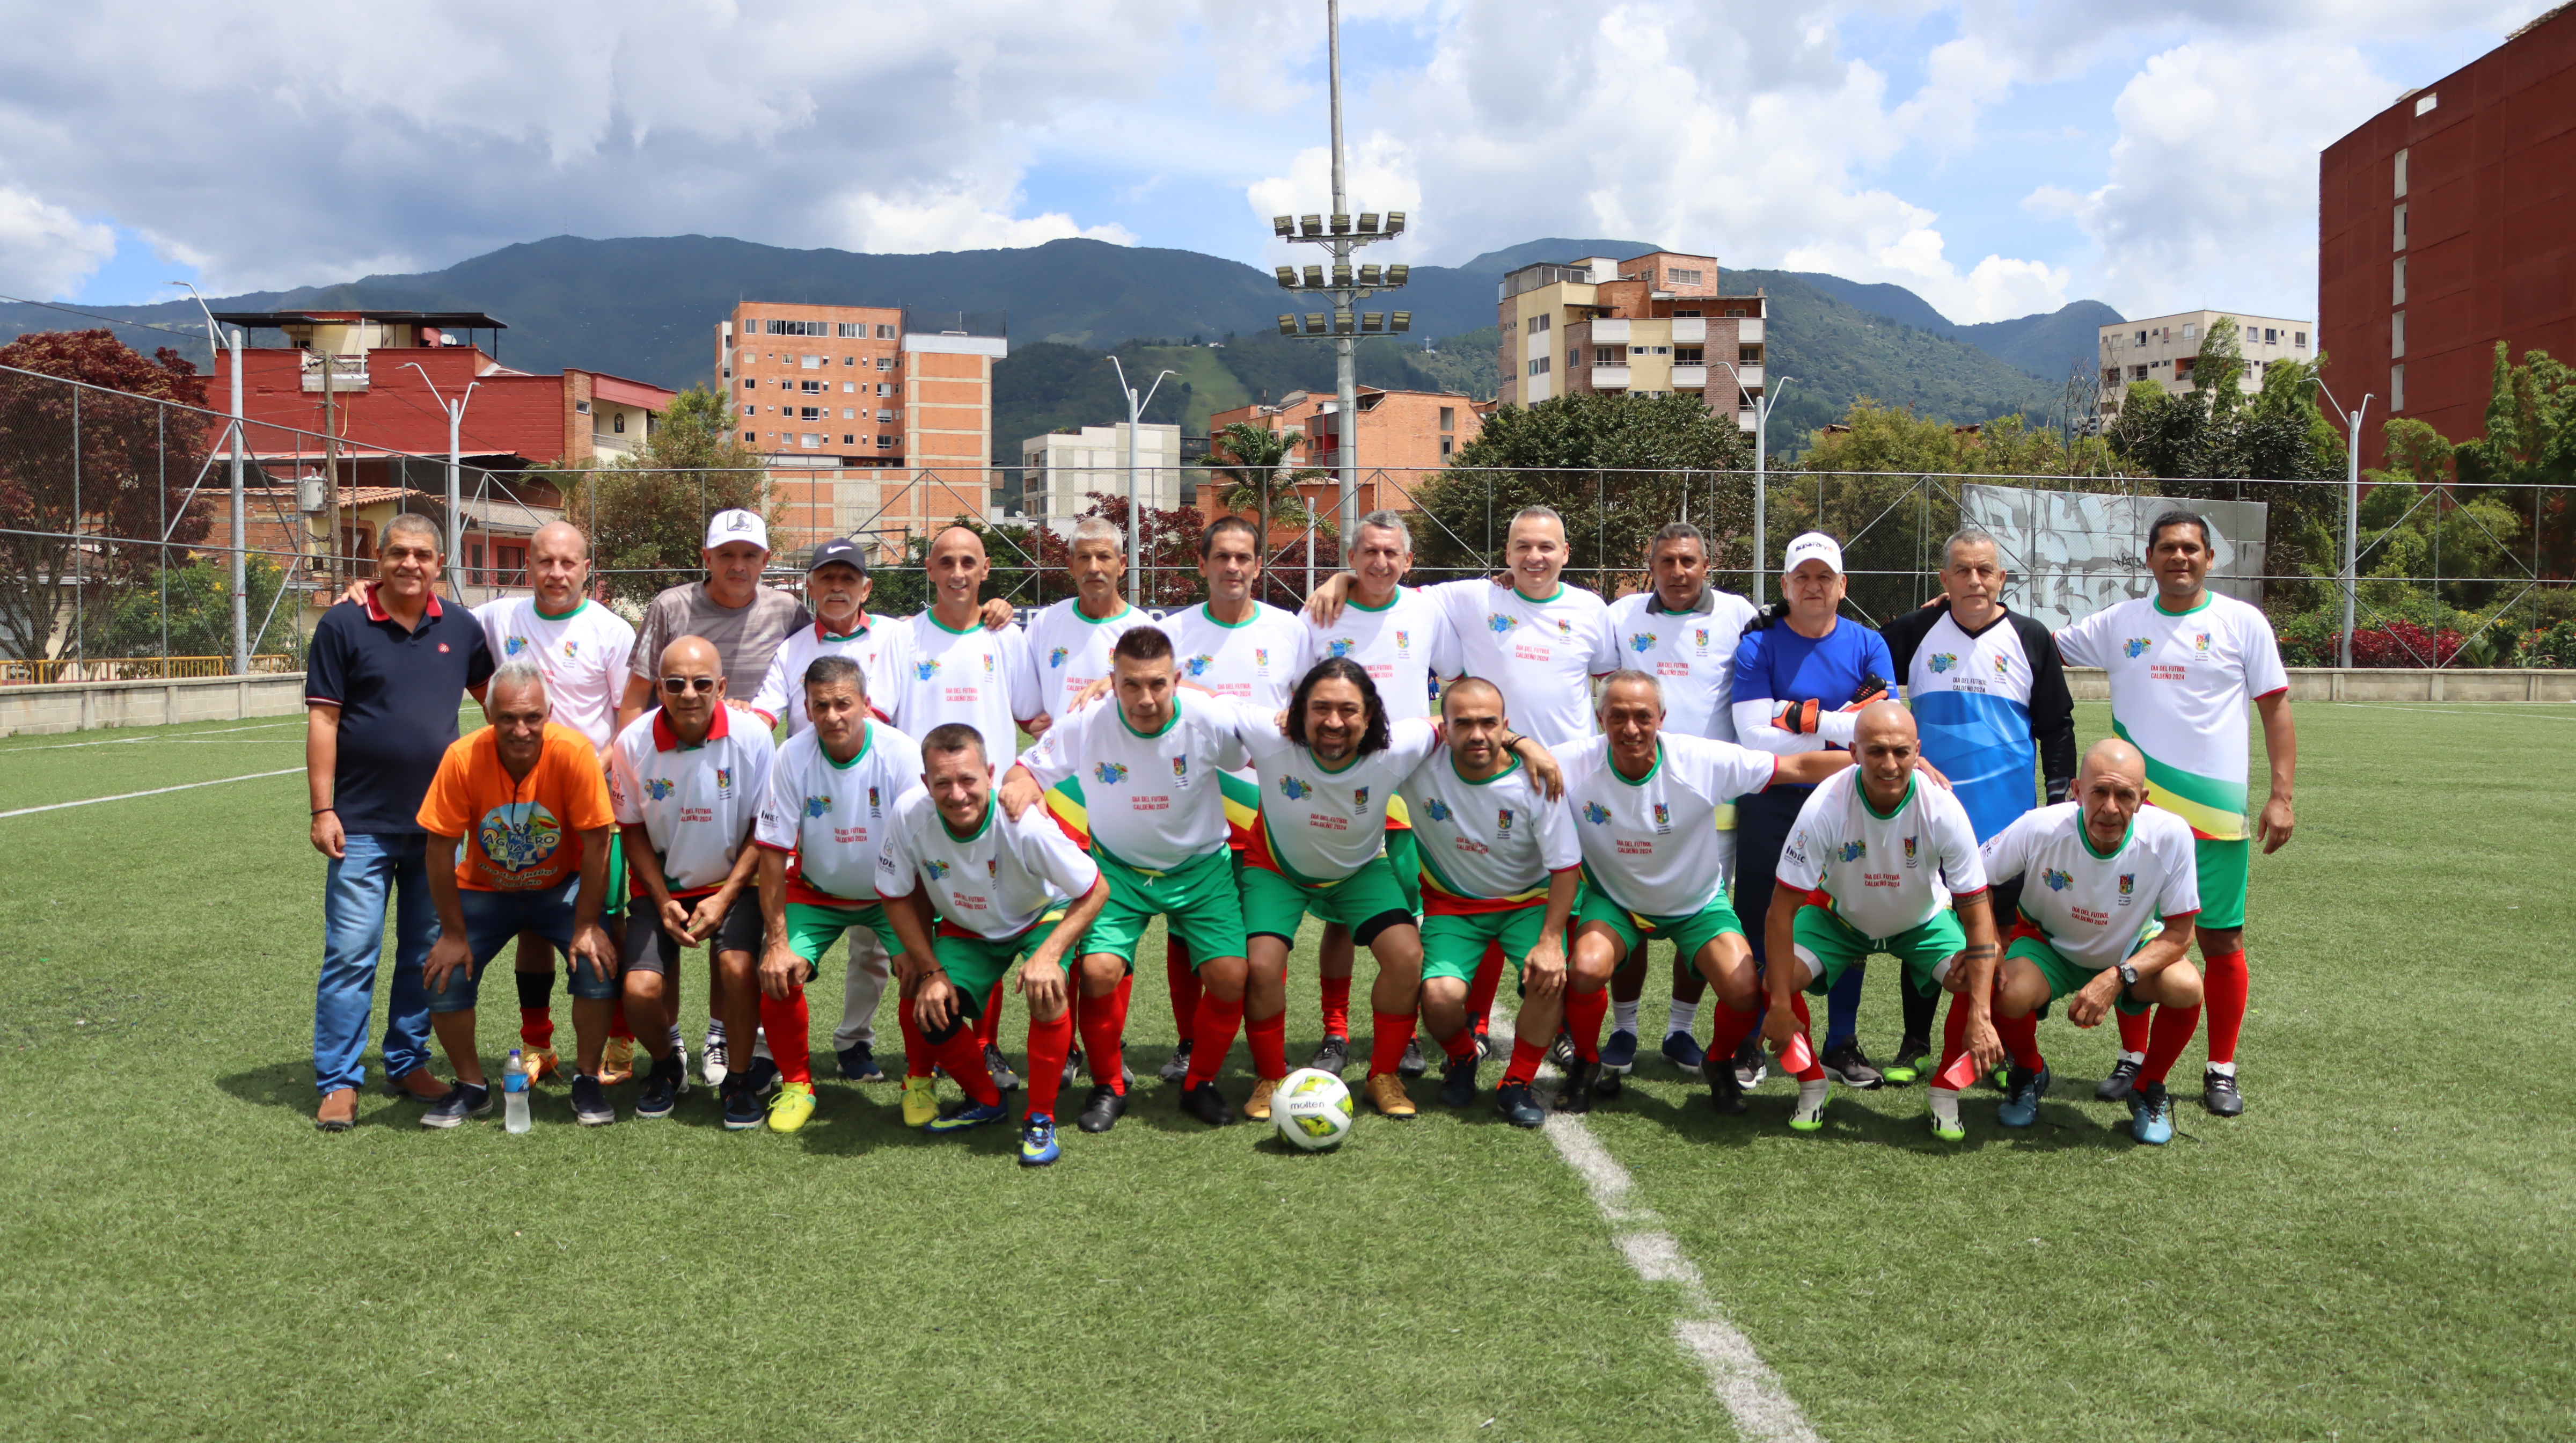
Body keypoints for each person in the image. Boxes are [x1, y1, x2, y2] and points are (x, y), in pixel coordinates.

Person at [1307, 505, 1616, 1069]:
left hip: (1556, 780)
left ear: (1566, 554)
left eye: (1546, 547)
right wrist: (1340, 577)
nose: (1535, 557)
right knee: (1397, 903)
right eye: (1522, 545)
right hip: (1436, 773)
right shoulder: (1467, 599)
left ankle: (1567, 1028)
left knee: (1549, 902)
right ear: (1505, 555)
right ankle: (1408, 1025)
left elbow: (1607, 682)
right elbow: (1385, 576)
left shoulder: (1591, 610)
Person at [1209, 658, 1562, 1124]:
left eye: (1348, 710)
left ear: (1371, 715)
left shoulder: (1396, 747)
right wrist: (1109, 684)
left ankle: (1383, 1074)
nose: (1334, 721)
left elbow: (1457, 720)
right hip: (1277, 868)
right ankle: (1271, 1077)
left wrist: (1523, 743)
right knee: (1261, 966)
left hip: (1360, 871)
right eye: (1320, 708)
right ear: (1297, 710)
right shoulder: (1270, 735)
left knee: (1406, 956)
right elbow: (1191, 696)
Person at [2055, 510, 2293, 1117]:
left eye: (2191, 548)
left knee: (2220, 940)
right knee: (2132, 937)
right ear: (2150, 558)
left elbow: (2275, 709)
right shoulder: (2120, 622)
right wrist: (1958, 607)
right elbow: (2040, 644)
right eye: (2167, 548)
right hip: (2131, 819)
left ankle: (2221, 1069)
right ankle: (2133, 1059)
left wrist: (2281, 795)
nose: (2179, 557)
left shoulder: (2243, 623)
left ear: (2210, 558)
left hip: (2215, 822)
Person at [1557, 671, 1856, 1114]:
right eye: (1617, 716)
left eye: (1643, 715)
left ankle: (1718, 1064)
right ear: (1600, 718)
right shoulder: (1570, 762)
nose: (1631, 728)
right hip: (1616, 901)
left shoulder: (1697, 759)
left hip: (1695, 904)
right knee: (1584, 969)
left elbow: (1797, 767)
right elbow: (1508, 762)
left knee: (1743, 989)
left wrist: (1876, 760)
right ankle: (1585, 1063)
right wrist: (1517, 745)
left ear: (1662, 717)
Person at [1000, 625, 1250, 1138]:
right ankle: (1109, 1084)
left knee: (1230, 977)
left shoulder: (1208, 719)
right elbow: (1026, 769)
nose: (1145, 698)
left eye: (1158, 684)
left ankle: (1199, 1081)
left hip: (1201, 867)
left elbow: (1264, 751)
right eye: (1131, 685)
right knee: (1097, 973)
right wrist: (1021, 791)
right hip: (1117, 871)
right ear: (1111, 679)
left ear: (1177, 680)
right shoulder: (1087, 721)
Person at [305, 512, 496, 1132]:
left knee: (425, 951)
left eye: (422, 554)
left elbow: (498, 707)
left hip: (440, 827)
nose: (410, 564)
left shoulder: (463, 628)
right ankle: (338, 1080)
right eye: (398, 554)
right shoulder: (342, 624)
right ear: (378, 561)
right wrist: (322, 807)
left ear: (441, 564)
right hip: (360, 824)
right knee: (352, 952)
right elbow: (324, 720)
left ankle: (408, 1061)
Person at [1877, 527, 2075, 1081]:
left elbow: (2057, 727)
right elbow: (1860, 677)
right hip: (1928, 816)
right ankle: (1915, 1043)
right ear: (1943, 579)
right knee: (1927, 929)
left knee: (2003, 937)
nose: (1974, 580)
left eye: (1985, 570)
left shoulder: (2032, 638)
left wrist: (2058, 800)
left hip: (2008, 822)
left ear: (2002, 578)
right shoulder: (1912, 633)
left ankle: (2003, 1043)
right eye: (1962, 570)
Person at [619, 508, 807, 1090]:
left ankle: (728, 1036)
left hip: (743, 774)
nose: (738, 565)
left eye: (750, 555)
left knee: (737, 959)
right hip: (672, 772)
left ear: (766, 562)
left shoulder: (789, 612)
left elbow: (847, 633)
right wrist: (631, 758)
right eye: (727, 554)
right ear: (707, 558)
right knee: (647, 979)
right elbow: (637, 695)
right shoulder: (672, 607)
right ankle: (667, 1049)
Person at [874, 725, 1111, 1166]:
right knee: (929, 1007)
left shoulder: (1023, 823)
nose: (957, 794)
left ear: (990, 774)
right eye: (942, 783)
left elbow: (1095, 888)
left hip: (1040, 914)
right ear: (926, 784)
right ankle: (986, 1100)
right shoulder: (909, 813)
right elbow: (894, 893)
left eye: (967, 780)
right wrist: (929, 970)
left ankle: (1040, 1119)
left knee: (1047, 991)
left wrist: (1049, 955)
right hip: (968, 926)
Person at [1760, 703, 1999, 1138]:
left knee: (1981, 976)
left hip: (1920, 922)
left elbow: (1979, 915)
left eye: (1901, 752)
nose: (1890, 764)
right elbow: (1780, 911)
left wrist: (1981, 1016)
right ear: (1853, 752)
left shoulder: (1942, 807)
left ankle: (1945, 1093)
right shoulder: (1825, 806)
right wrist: (1778, 1004)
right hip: (1840, 921)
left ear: (1917, 751)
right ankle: (1812, 1083)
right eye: (1876, 752)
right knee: (1776, 978)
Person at [873, 524, 1049, 1088]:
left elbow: (1032, 718)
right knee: (917, 946)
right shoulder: (903, 638)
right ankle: (920, 1067)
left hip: (987, 816)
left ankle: (986, 1046)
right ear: (929, 570)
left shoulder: (1007, 636)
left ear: (985, 569)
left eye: (967, 562)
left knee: (986, 927)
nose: (956, 573)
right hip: (923, 815)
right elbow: (879, 722)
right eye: (945, 562)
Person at [414, 657, 622, 1127]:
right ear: (489, 717)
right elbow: (438, 850)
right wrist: (451, 932)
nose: (522, 729)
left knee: (597, 961)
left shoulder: (574, 752)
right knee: (441, 972)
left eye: (533, 717)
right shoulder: (462, 758)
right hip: (485, 889)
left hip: (559, 886)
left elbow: (597, 844)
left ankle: (586, 1079)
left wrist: (588, 924)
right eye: (508, 718)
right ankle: (471, 1086)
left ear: (548, 715)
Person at [1728, 531, 1899, 1092]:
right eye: (1802, 576)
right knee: (1760, 915)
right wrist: (1842, 723)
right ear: (1785, 585)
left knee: (1849, 916)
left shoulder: (1869, 643)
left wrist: (1801, 718)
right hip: (1770, 800)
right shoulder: (1759, 644)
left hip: (1848, 803)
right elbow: (1754, 739)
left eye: (1825, 577)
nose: (1813, 586)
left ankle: (1841, 1042)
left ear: (1842, 586)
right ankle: (1755, 1034)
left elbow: (1883, 731)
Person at [1290, 510, 1456, 1073]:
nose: (1380, 562)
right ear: (1352, 558)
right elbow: (1291, 693)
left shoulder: (1426, 609)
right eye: (1369, 552)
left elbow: (1460, 655)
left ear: (1408, 561)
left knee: (1407, 908)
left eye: (1392, 553)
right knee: (1340, 912)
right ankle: (1335, 1032)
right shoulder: (1319, 612)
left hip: (1407, 782)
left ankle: (1403, 1032)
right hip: (1334, 780)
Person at [1977, 738, 2207, 1144]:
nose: (2111, 808)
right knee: (2004, 990)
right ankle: (2029, 1072)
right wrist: (1991, 942)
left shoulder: (2171, 836)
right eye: (2099, 791)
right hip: (2049, 947)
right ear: (2077, 790)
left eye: (2125, 795)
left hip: (2131, 950)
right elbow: (1973, 879)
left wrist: (2118, 976)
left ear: (2143, 800)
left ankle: (2148, 1087)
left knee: (2187, 987)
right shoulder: (2040, 826)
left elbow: (2179, 935)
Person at [1600, 521, 1764, 1084]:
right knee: (1630, 911)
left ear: (1707, 565)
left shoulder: (1740, 614)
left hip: (1708, 800)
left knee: (1696, 910)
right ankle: (1623, 1029)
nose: (1677, 572)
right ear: (1652, 564)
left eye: (1688, 561)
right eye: (1666, 561)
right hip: (1631, 792)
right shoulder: (1622, 615)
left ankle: (1679, 1030)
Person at [744, 537, 909, 1086]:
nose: (837, 588)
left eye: (848, 578)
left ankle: (855, 1043)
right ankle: (772, 1054)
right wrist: (737, 718)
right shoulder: (793, 649)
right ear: (810, 587)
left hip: (880, 801)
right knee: (783, 953)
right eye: (826, 578)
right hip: (815, 809)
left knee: (873, 954)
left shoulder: (899, 636)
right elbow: (766, 710)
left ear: (867, 587)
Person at [1151, 515, 1307, 1085]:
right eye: (1222, 558)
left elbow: (1311, 709)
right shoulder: (1173, 632)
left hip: (1269, 807)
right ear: (1203, 564)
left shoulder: (1289, 629)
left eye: (1244, 558)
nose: (1233, 568)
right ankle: (1190, 1043)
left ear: (1258, 565)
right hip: (1192, 802)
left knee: (1264, 929)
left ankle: (1270, 1046)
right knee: (1185, 926)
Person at [750, 655, 925, 1135]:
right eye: (819, 706)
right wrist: (777, 941)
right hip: (817, 892)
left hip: (894, 895)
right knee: (779, 973)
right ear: (804, 708)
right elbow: (771, 853)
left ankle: (920, 1079)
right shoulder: (791, 755)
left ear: (866, 705)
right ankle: (798, 1084)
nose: (831, 716)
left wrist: (920, 947)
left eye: (843, 704)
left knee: (922, 974)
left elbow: (926, 846)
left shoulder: (901, 753)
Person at [608, 635, 777, 1128]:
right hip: (662, 885)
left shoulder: (753, 737)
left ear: (721, 687)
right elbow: (632, 830)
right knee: (639, 990)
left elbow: (763, 830)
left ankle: (739, 1078)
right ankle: (667, 1066)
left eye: (702, 683)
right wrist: (661, 901)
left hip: (734, 883)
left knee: (739, 970)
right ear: (659, 687)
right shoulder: (632, 742)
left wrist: (724, 898)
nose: (689, 694)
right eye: (675, 683)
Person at [1395, 677, 1580, 1127]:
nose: (1477, 734)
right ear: (1444, 728)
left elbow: (1565, 868)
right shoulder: (1418, 765)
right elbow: (1378, 735)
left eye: (1488, 723)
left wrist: (1552, 941)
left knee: (1548, 979)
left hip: (1528, 903)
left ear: (1506, 727)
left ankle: (1516, 1083)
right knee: (1439, 998)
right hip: (1454, 905)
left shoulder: (1535, 778)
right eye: (1463, 723)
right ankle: (1462, 1059)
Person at [1023, 518, 1165, 717]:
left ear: (1122, 565)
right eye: (1084, 557)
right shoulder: (1046, 622)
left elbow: (1164, 701)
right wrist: (1030, 723)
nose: (1094, 568)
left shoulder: (1145, 631)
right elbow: (1020, 691)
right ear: (1071, 566)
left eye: (1104, 556)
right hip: (1061, 749)